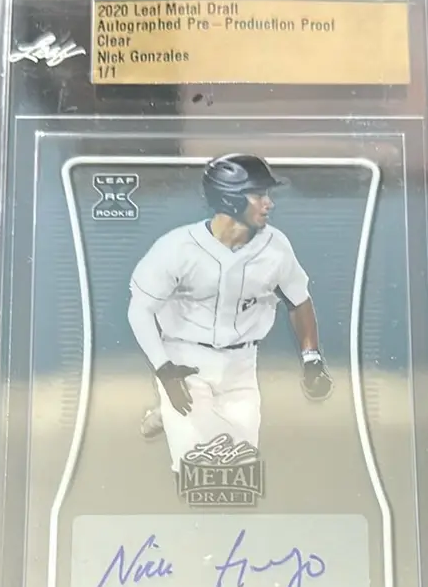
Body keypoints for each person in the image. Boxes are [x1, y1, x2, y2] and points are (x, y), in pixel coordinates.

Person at [127, 152, 333, 475]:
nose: (269, 203)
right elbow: (140, 309)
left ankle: (168, 416)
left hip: (241, 365)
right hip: (186, 360)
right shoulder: (177, 248)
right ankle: (172, 413)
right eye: (258, 195)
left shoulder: (275, 247)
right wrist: (164, 369)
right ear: (230, 198)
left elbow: (299, 301)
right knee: (197, 472)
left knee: (238, 468)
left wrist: (311, 359)